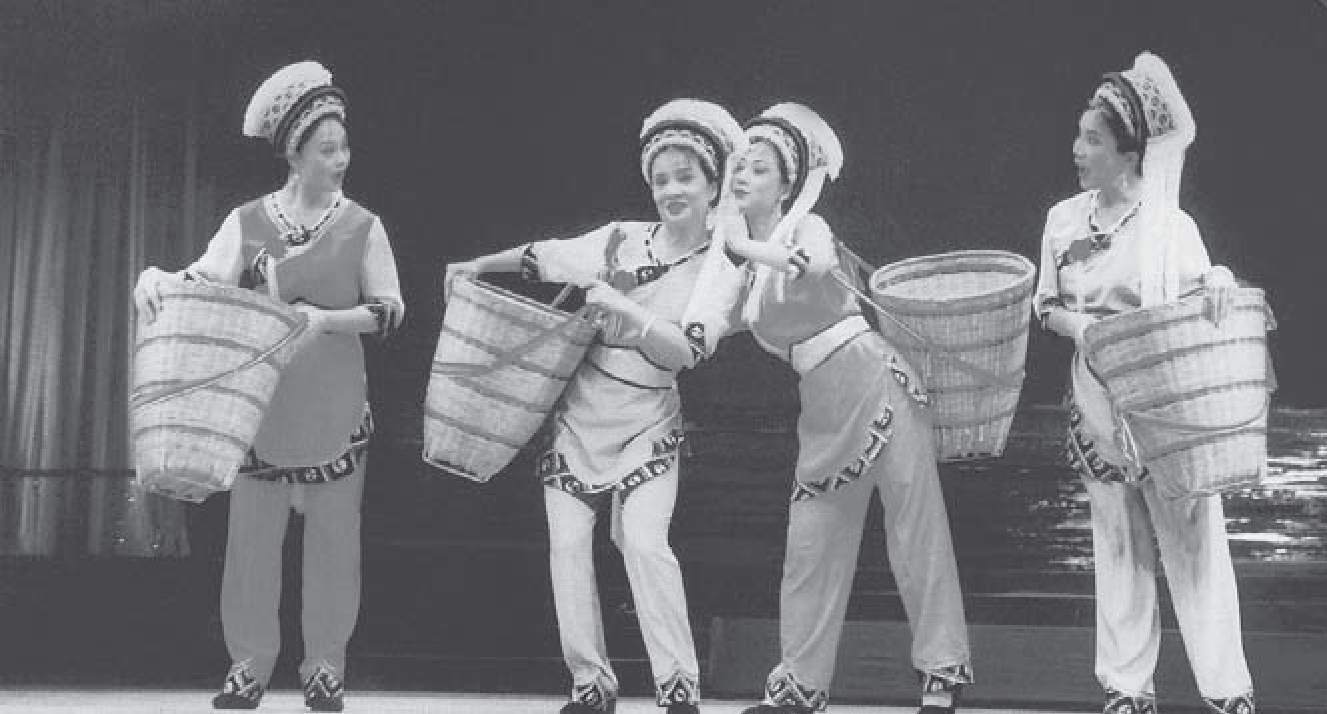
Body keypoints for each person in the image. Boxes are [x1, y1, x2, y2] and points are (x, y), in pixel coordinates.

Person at [443, 99, 746, 714]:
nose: (672, 190)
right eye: (660, 179)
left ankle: (678, 686)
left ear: (713, 186)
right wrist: (479, 264)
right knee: (567, 544)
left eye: (686, 177)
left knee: (644, 541)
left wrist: (631, 313)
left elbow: (686, 352)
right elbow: (545, 256)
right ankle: (590, 683)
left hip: (648, 419)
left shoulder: (721, 268)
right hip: (581, 414)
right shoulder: (619, 238)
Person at [132, 61, 403, 713]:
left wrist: (326, 320)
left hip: (335, 406)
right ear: (294, 154)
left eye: (344, 147)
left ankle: (325, 668)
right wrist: (155, 277)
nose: (341, 159)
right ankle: (248, 666)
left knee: (333, 546)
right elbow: (203, 278)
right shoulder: (248, 220)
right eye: (326, 150)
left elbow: (390, 310)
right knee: (251, 545)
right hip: (259, 407)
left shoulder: (363, 225)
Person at [725, 103, 973, 714]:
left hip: (874, 377)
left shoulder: (806, 228)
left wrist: (738, 243)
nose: (743, 177)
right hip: (823, 404)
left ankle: (941, 674)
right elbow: (701, 330)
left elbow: (817, 264)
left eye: (758, 169)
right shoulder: (740, 273)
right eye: (738, 167)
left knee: (916, 528)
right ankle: (799, 684)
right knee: (811, 547)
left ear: (785, 186)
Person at [1032, 52, 1256, 714]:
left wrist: (1219, 279)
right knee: (1119, 548)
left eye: (1092, 140)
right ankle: (1126, 689)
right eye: (1078, 136)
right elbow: (1045, 305)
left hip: (1161, 406)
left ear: (1129, 154)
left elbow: (1203, 292)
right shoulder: (1063, 221)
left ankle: (1227, 690)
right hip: (1098, 404)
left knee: (1195, 548)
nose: (1077, 151)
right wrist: (1081, 328)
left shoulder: (1168, 227)